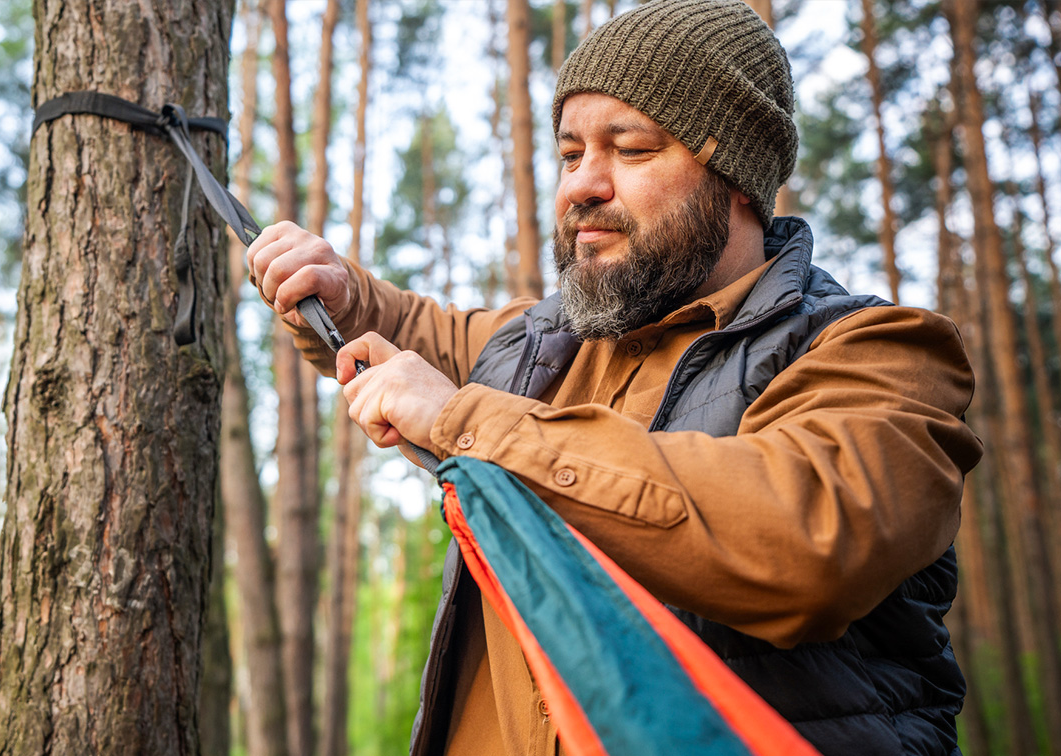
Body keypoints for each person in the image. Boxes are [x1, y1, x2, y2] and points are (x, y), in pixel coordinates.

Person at [246, 1, 982, 754]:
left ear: (736, 173)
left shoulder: (882, 351)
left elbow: (807, 536)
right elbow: (408, 329)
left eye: (629, 149)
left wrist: (464, 422)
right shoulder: (541, 345)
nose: (581, 186)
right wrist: (340, 292)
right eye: (570, 155)